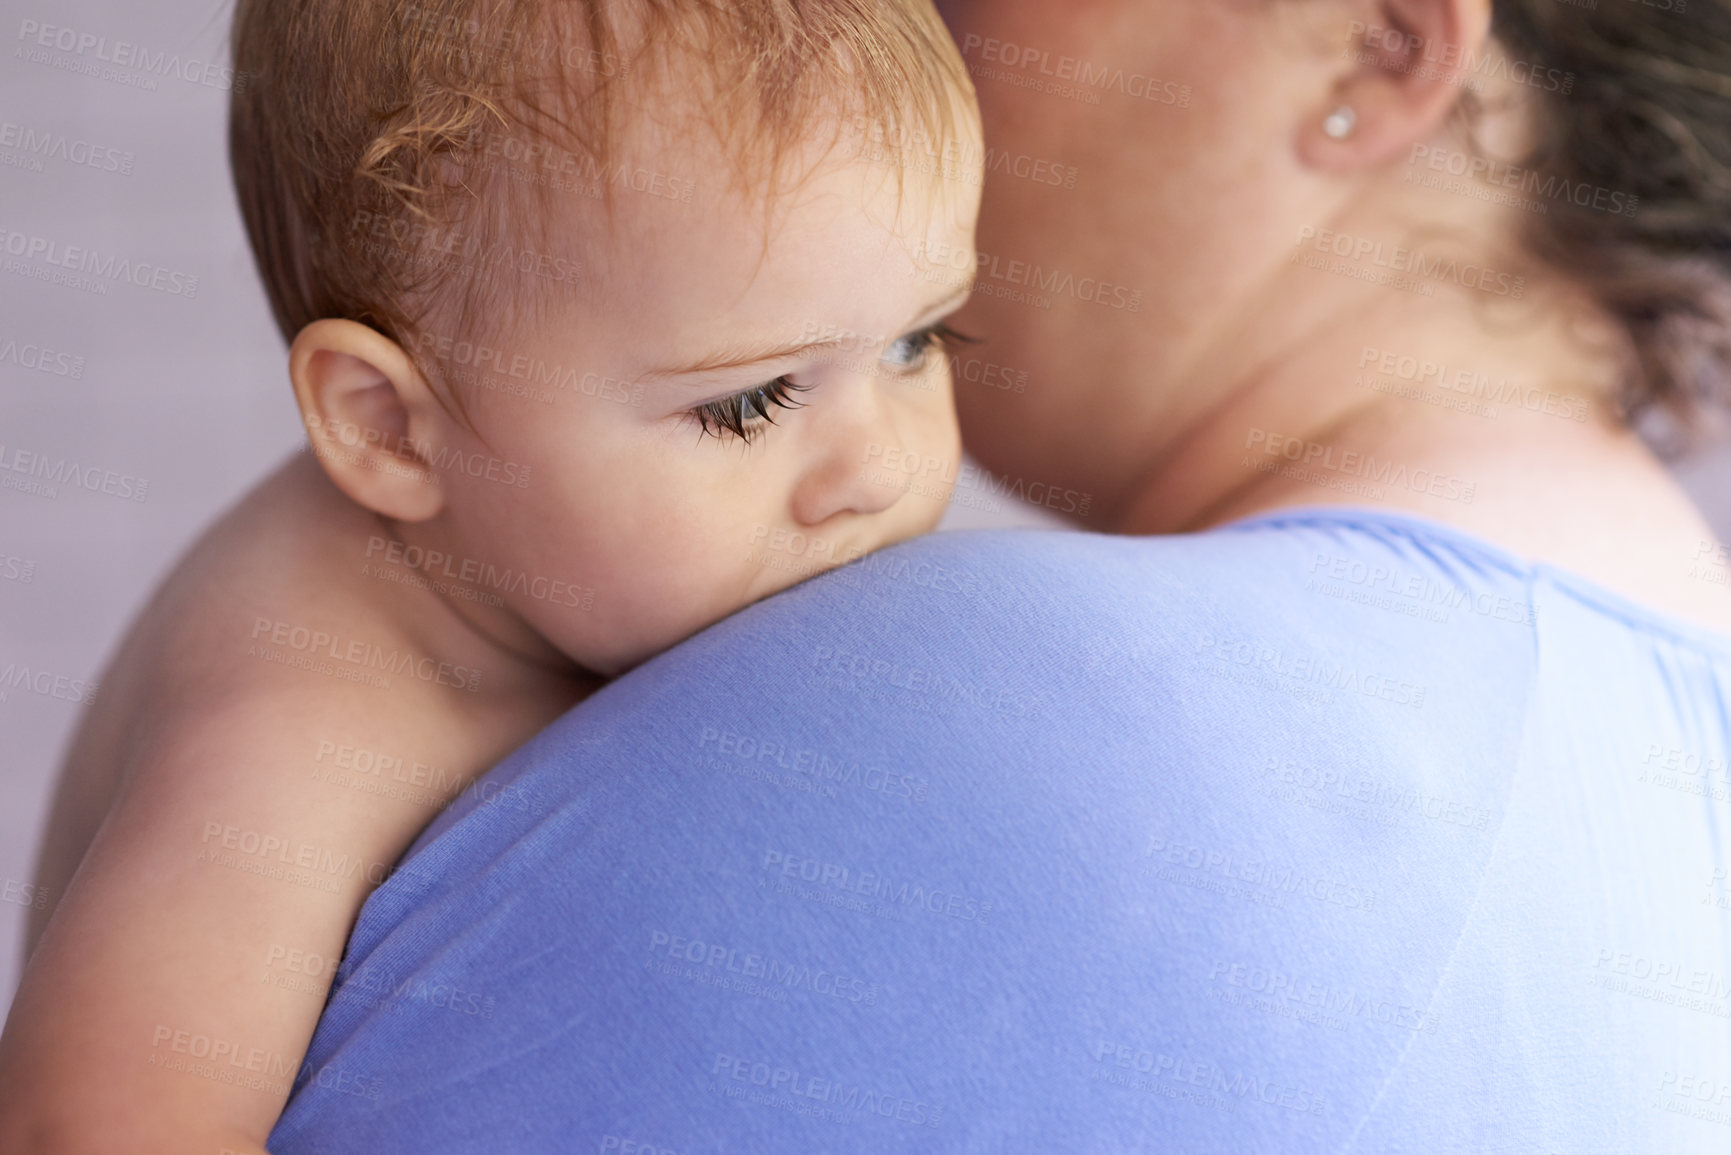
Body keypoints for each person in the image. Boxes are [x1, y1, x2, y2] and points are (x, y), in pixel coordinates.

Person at [260, 0, 1731, 1150]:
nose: (878, 44)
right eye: (746, 398)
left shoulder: (991, 692)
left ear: (1374, 43)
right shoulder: (1668, 760)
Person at [0, 2, 983, 1152]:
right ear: (391, 430)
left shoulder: (592, 585)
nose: (880, 468)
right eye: (745, 401)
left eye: (918, 344)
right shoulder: (303, 724)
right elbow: (89, 1123)